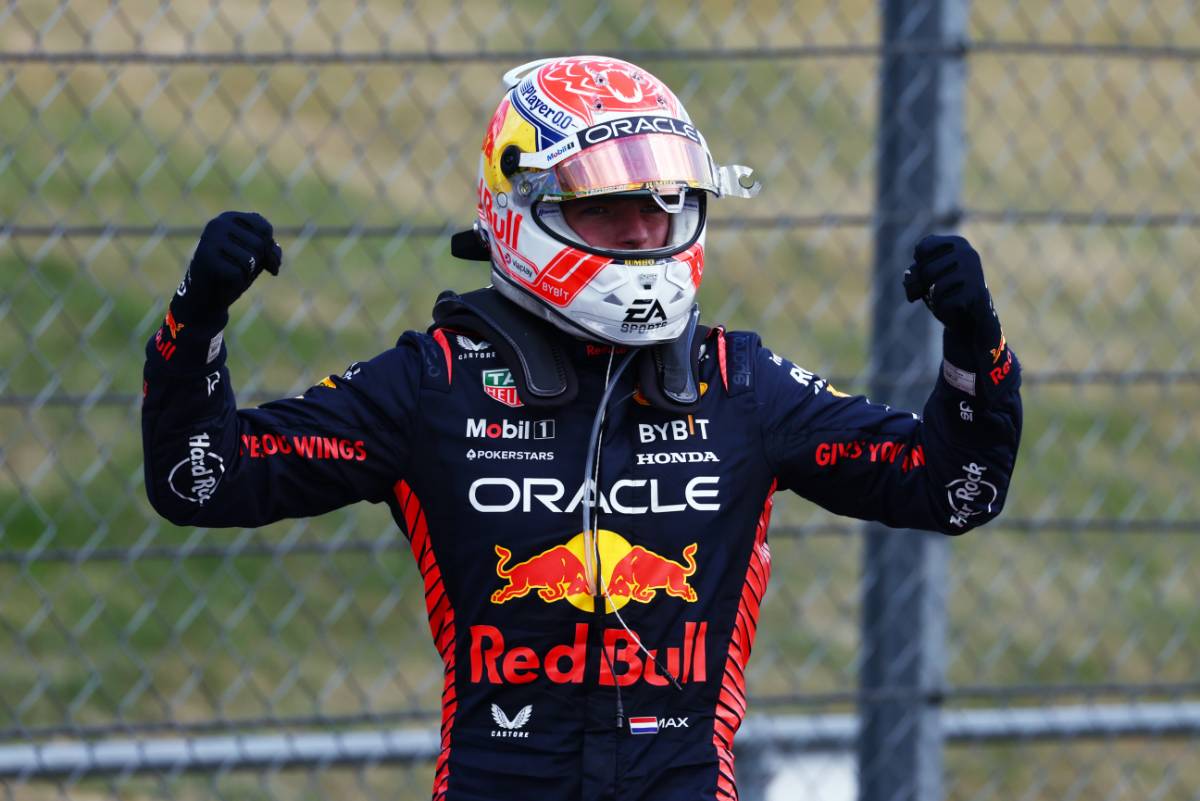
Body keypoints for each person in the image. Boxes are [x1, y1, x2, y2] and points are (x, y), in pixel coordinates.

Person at [142, 56, 1021, 801]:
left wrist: (974, 347)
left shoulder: (740, 382)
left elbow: (952, 488)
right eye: (608, 207)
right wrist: (197, 323)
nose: (645, 233)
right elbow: (204, 480)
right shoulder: (433, 384)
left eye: (664, 203)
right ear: (519, 211)